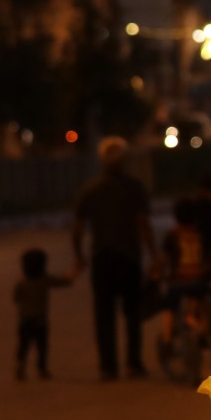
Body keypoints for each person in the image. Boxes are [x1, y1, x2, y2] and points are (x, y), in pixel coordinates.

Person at [73, 136, 160, 379]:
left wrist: (79, 256)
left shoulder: (90, 188)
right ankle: (133, 363)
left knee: (104, 314)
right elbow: (144, 224)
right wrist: (154, 255)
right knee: (132, 313)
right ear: (125, 160)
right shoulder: (134, 187)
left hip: (102, 258)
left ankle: (108, 366)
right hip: (129, 257)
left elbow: (78, 228)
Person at [159, 198, 211, 354]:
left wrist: (157, 274)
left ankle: (167, 339)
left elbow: (164, 259)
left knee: (169, 307)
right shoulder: (200, 235)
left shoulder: (172, 235)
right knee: (202, 302)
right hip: (198, 281)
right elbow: (207, 259)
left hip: (177, 282)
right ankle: (203, 331)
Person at [13, 248, 79, 381]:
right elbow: (64, 281)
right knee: (42, 346)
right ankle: (41, 369)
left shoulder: (21, 282)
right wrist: (76, 269)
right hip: (40, 320)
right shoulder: (44, 280)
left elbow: (15, 298)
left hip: (24, 320)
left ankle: (20, 365)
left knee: (23, 345)